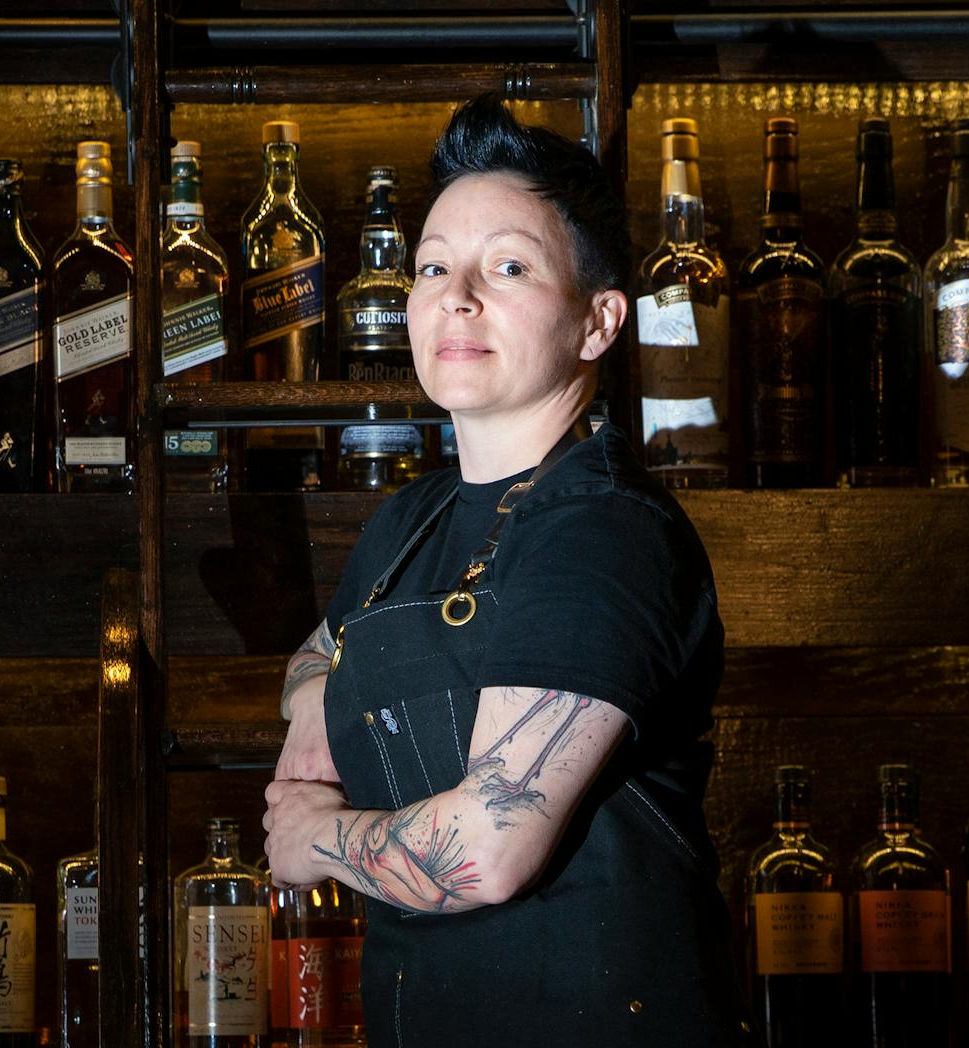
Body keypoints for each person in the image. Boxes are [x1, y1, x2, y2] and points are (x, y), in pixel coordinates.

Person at [262, 96, 756, 1044]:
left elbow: (487, 850)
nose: (457, 294)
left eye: (509, 266)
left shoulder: (603, 529)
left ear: (598, 323)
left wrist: (313, 840)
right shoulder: (411, 519)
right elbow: (313, 655)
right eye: (435, 265)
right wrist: (317, 694)